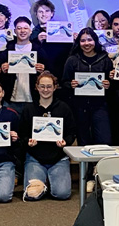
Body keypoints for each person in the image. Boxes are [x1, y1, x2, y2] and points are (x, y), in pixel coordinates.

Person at [19, 72, 76, 200]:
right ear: (37, 87)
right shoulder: (29, 108)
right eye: (42, 86)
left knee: (62, 194)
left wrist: (65, 142)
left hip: (58, 158)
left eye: (49, 86)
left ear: (55, 87)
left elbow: (71, 133)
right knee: (31, 195)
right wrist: (28, 141)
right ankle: (42, 182)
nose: (45, 90)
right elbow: (21, 134)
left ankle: (49, 182)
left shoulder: (64, 108)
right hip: (35, 158)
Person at [63, 29, 114, 147]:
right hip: (79, 107)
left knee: (104, 139)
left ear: (95, 41)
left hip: (100, 106)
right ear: (78, 43)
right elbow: (64, 82)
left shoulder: (105, 59)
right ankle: (85, 166)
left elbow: (112, 83)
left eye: (90, 40)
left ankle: (100, 165)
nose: (87, 43)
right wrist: (71, 85)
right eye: (83, 40)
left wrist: (109, 84)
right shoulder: (72, 60)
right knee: (83, 141)